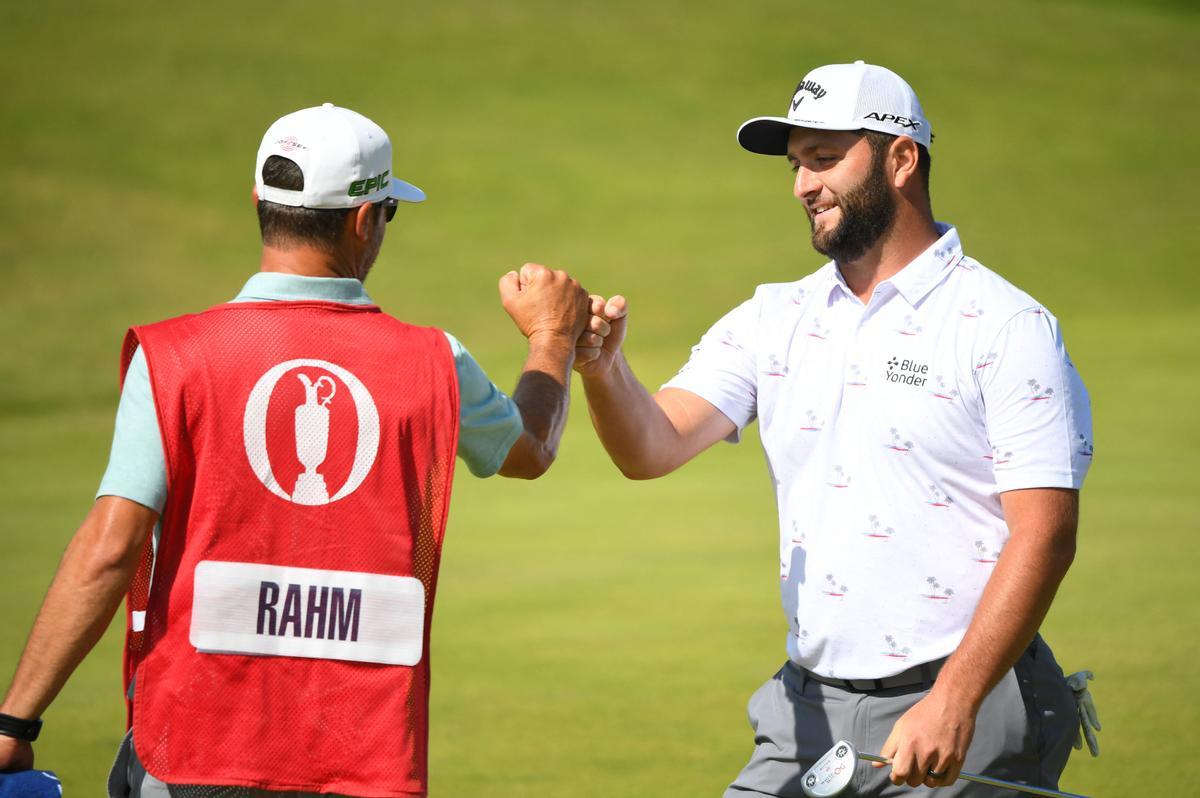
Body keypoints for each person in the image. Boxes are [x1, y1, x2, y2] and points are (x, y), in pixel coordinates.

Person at [0, 103, 598, 797]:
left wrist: (16, 721)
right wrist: (552, 339)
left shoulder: (173, 358)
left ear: (260, 202)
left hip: (191, 747)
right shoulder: (434, 362)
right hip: (364, 760)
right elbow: (530, 448)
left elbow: (110, 548)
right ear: (363, 219)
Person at [573, 62, 1095, 796]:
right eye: (795, 165)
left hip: (965, 705)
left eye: (824, 160)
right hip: (807, 710)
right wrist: (602, 369)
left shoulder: (1008, 325)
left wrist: (953, 699)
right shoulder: (773, 316)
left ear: (901, 159)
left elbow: (1046, 533)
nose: (802, 186)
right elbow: (651, 445)